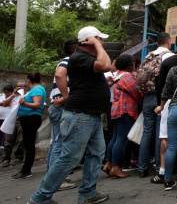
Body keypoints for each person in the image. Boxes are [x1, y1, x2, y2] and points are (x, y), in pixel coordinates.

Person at [29, 26, 111, 204]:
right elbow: (106, 65)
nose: (102, 42)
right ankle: (40, 198)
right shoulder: (78, 57)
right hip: (80, 115)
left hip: (91, 115)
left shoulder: (87, 58)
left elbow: (103, 67)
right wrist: (97, 44)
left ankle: (88, 194)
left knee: (96, 154)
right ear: (90, 40)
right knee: (69, 158)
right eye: (99, 38)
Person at [151, 33, 177, 184]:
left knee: (169, 142)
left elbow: (164, 88)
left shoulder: (172, 67)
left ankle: (165, 176)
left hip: (171, 107)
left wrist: (161, 106)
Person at [137, 32, 174, 178]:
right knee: (161, 132)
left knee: (147, 132)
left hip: (147, 97)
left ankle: (142, 168)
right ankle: (159, 167)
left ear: (157, 43)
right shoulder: (169, 56)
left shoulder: (148, 56)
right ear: (169, 42)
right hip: (161, 97)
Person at [103, 54, 143, 178]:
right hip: (126, 109)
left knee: (115, 138)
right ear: (130, 65)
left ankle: (108, 164)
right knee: (121, 139)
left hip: (115, 109)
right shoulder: (128, 77)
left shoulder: (117, 76)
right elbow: (137, 93)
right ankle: (115, 167)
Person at [46, 39, 78, 190]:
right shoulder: (68, 62)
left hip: (56, 107)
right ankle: (56, 181)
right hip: (60, 107)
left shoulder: (65, 61)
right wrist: (66, 97)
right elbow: (59, 76)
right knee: (59, 144)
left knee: (55, 143)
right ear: (75, 51)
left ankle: (52, 177)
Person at [10, 72, 46, 180]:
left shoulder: (38, 89)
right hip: (28, 119)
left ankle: (26, 170)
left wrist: (24, 103)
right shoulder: (34, 90)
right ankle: (26, 169)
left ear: (29, 81)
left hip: (31, 118)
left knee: (29, 145)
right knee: (28, 144)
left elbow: (37, 104)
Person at [2, 81, 26, 167]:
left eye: (21, 86)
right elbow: (5, 104)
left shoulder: (28, 95)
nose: (19, 88)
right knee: (8, 140)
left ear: (26, 87)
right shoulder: (14, 96)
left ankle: (18, 158)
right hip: (12, 119)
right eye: (18, 86)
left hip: (22, 119)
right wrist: (13, 95)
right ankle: (6, 158)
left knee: (21, 140)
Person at [0, 85, 14, 153]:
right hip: (0, 117)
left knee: (4, 132)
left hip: (7, 117)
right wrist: (4, 103)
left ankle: (3, 146)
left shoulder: (13, 97)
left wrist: (4, 103)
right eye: (5, 92)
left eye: (8, 92)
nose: (6, 94)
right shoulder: (1, 95)